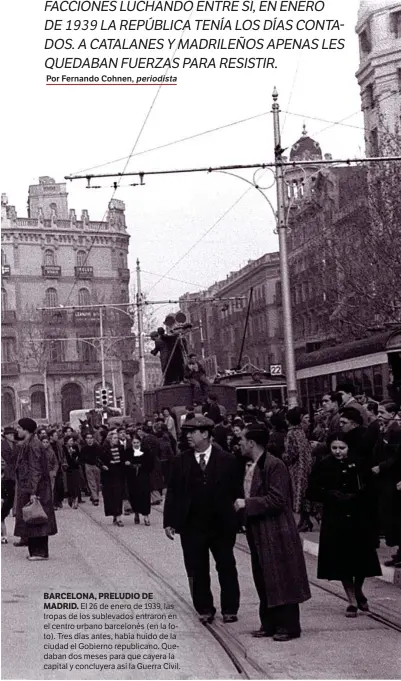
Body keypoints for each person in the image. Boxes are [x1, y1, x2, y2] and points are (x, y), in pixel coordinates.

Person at [235, 424, 311, 641]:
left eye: (241, 438)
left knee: (281, 575)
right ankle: (269, 623)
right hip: (259, 529)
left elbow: (278, 499)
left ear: (252, 442)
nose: (238, 442)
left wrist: (246, 504)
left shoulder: (274, 465)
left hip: (276, 529)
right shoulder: (253, 464)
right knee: (263, 576)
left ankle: (288, 626)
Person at [164, 415, 241, 624]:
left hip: (221, 525)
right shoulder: (180, 461)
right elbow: (173, 491)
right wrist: (169, 520)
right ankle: (205, 608)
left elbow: (237, 492)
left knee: (226, 565)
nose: (188, 436)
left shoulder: (227, 460)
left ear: (205, 434)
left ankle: (230, 608)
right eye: (186, 432)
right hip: (192, 525)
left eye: (192, 432)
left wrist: (239, 520)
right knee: (197, 568)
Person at [307, 431, 381, 616]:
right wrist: (330, 495)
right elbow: (312, 490)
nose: (338, 452)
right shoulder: (323, 465)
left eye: (342, 448)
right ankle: (352, 600)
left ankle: (358, 589)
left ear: (349, 447)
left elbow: (372, 489)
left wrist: (359, 497)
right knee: (343, 560)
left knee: (361, 558)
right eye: (334, 448)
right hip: (336, 517)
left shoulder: (361, 463)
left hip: (359, 516)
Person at [13, 418, 57, 560]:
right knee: (33, 519)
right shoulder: (30, 443)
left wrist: (33, 492)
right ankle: (36, 551)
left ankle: (40, 552)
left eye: (19, 427)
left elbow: (35, 469)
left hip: (36, 488)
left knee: (37, 518)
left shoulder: (33, 445)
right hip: (31, 487)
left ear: (26, 429)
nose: (17, 430)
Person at [371, 402, 401, 567]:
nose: (379, 415)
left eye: (382, 412)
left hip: (393, 478)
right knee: (389, 516)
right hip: (385, 479)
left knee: (395, 515)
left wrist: (380, 467)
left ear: (392, 413)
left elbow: (396, 456)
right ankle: (398, 551)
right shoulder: (385, 429)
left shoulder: (396, 431)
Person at [283, 407, 313, 532]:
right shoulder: (301, 432)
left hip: (296, 467)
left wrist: (284, 457)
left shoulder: (291, 433)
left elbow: (291, 452)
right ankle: (306, 520)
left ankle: (304, 521)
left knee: (298, 492)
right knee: (305, 493)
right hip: (306, 464)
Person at [125, 434, 153, 525]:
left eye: (137, 442)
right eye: (134, 443)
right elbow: (125, 462)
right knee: (134, 495)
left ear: (140, 442)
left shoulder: (146, 451)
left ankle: (146, 516)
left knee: (145, 496)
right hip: (132, 478)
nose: (136, 444)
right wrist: (128, 464)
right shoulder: (128, 451)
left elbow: (150, 464)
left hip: (143, 476)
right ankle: (136, 513)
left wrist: (142, 467)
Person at [99, 431, 125, 526]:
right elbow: (99, 460)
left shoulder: (121, 448)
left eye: (117, 438)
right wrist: (104, 466)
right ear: (109, 439)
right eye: (114, 438)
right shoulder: (104, 449)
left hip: (118, 474)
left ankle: (118, 517)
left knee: (118, 495)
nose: (116, 440)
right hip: (108, 476)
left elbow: (124, 460)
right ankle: (114, 514)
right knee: (111, 496)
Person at [1, 427, 18, 544]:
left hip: (13, 476)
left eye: (13, 434)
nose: (12, 436)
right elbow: (9, 459)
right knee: (6, 502)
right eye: (10, 434)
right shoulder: (3, 445)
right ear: (6, 435)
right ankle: (3, 534)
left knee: (10, 501)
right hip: (6, 476)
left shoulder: (16, 445)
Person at [80, 432, 102, 506]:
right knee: (91, 482)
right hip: (88, 466)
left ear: (93, 439)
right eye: (88, 438)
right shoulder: (84, 448)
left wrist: (100, 464)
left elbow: (101, 456)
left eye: (91, 438)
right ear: (86, 439)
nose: (89, 440)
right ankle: (96, 498)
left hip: (96, 466)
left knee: (97, 482)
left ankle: (94, 496)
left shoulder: (97, 447)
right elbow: (81, 458)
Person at [63, 435, 81, 509]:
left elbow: (78, 457)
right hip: (68, 469)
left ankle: (76, 499)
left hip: (75, 468)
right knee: (70, 485)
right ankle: (71, 498)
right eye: (70, 441)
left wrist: (74, 455)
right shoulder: (63, 448)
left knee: (76, 484)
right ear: (66, 442)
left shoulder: (75, 447)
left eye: (72, 441)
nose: (71, 442)